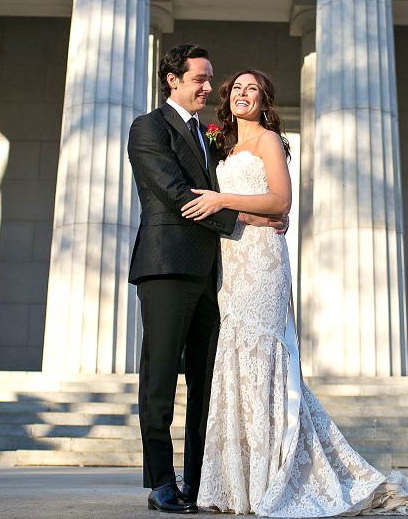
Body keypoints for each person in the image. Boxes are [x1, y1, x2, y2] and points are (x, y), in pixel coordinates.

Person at [180, 69, 408, 517]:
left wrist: (221, 198)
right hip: (230, 261)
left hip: (264, 260)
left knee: (263, 358)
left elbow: (280, 202)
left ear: (264, 100)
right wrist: (223, 205)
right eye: (236, 88)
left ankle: (278, 475)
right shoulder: (221, 146)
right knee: (235, 358)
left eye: (252, 88)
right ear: (227, 99)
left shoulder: (269, 140)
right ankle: (238, 483)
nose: (242, 94)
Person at [127, 46, 285, 515]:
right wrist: (244, 220)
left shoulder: (211, 136)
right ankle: (160, 482)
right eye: (199, 78)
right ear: (173, 79)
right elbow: (179, 195)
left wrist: (266, 212)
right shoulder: (149, 127)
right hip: (167, 267)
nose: (207, 87)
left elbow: (251, 187)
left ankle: (199, 483)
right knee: (159, 378)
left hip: (217, 276)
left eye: (210, 78)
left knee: (206, 381)